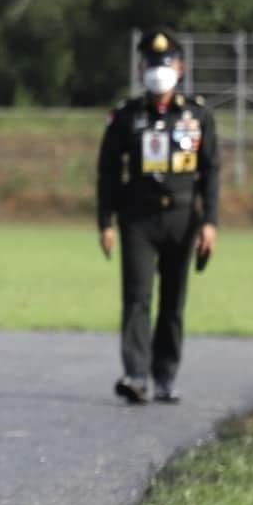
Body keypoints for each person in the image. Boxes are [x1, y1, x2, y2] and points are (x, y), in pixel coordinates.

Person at [96, 29, 220, 403]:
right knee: (136, 297)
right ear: (140, 68)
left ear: (179, 68)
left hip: (183, 220)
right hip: (137, 220)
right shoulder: (126, 115)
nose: (157, 71)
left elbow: (211, 170)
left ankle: (165, 376)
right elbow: (107, 171)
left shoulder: (197, 114)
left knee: (173, 300)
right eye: (151, 64)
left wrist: (210, 222)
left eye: (164, 64)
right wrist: (105, 221)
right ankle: (135, 374)